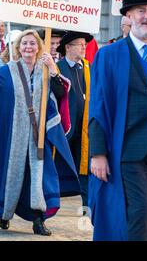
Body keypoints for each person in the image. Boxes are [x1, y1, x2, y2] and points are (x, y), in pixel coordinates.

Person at [0, 29, 79, 236]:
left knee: (39, 176)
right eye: (24, 44)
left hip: (38, 135)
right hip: (12, 135)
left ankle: (38, 220)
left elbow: (60, 94)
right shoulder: (7, 70)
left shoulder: (46, 70)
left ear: (39, 47)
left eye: (32, 43)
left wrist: (53, 70)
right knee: (11, 174)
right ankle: (5, 213)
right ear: (18, 48)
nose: (28, 47)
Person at [89, 0, 147, 241]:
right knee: (140, 209)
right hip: (127, 149)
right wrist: (98, 153)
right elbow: (97, 106)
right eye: (141, 11)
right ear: (129, 16)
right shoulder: (109, 55)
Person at [56, 31, 93, 212]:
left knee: (84, 164)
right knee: (58, 161)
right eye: (80, 44)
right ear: (68, 47)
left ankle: (87, 204)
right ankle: (51, 201)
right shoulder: (57, 68)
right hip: (64, 125)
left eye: (84, 44)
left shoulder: (87, 67)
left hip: (84, 126)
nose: (84, 47)